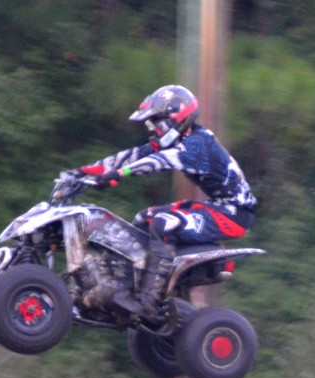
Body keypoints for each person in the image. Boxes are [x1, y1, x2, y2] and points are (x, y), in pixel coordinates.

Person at [71, 84, 257, 322]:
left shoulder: (199, 143)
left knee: (163, 223)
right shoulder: (179, 139)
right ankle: (127, 288)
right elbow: (132, 155)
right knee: (143, 219)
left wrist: (118, 175)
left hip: (234, 215)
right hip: (215, 207)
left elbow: (160, 161)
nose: (154, 130)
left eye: (157, 124)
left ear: (177, 118)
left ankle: (148, 302)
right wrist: (81, 172)